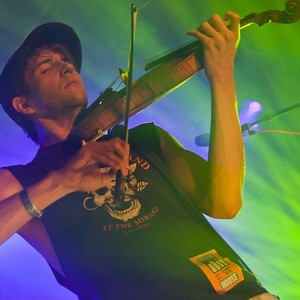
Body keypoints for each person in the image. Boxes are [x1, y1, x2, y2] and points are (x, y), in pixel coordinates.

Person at [0, 11, 278, 300]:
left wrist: (221, 78)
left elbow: (224, 203)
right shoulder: (21, 180)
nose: (67, 66)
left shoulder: (143, 139)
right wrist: (61, 183)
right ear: (24, 104)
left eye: (65, 60)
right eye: (47, 66)